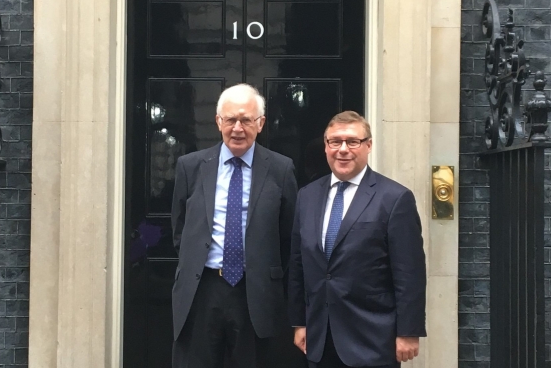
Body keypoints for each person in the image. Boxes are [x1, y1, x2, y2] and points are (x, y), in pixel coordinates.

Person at [171, 83, 298, 368]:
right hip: (202, 290)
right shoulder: (190, 167)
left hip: (254, 292)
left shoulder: (281, 169)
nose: (237, 128)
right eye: (230, 120)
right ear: (219, 122)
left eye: (246, 120)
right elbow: (179, 229)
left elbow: (289, 234)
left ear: (261, 123)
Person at [288, 111, 426, 368]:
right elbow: (298, 264)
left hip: (373, 339)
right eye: (335, 142)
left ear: (368, 145)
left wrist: (408, 331)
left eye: (352, 142)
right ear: (326, 146)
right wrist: (300, 322)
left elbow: (409, 273)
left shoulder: (394, 199)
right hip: (320, 337)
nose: (343, 150)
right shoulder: (306, 197)